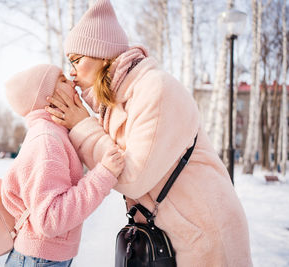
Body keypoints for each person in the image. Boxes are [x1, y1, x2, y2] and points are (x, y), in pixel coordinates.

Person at [45, 0, 253, 266]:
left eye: (76, 60)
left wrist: (82, 126)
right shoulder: (119, 103)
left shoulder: (155, 89)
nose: (71, 73)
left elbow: (133, 177)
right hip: (171, 236)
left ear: (102, 54)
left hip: (204, 233)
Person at [1, 64, 124, 267]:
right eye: (63, 80)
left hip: (42, 258)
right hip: (38, 260)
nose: (72, 82)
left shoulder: (55, 133)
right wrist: (104, 174)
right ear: (47, 97)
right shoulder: (46, 140)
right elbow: (50, 219)